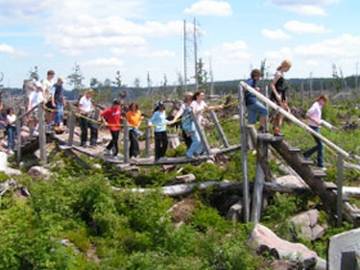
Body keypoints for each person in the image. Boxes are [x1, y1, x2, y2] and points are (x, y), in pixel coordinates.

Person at [303, 95, 329, 170]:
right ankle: (320, 164)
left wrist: (319, 122)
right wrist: (315, 121)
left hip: (316, 127)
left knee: (320, 144)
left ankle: (306, 154)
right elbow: (307, 114)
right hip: (313, 127)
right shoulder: (315, 105)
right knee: (321, 144)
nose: (324, 103)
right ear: (321, 99)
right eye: (324, 101)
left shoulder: (319, 106)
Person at [270, 59, 292, 136]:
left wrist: (284, 99)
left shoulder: (282, 74)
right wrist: (276, 95)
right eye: (288, 68)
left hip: (281, 95)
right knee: (280, 112)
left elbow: (282, 87)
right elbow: (272, 85)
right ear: (285, 66)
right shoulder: (278, 74)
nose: (288, 70)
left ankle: (277, 129)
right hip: (277, 95)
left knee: (282, 113)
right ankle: (276, 129)